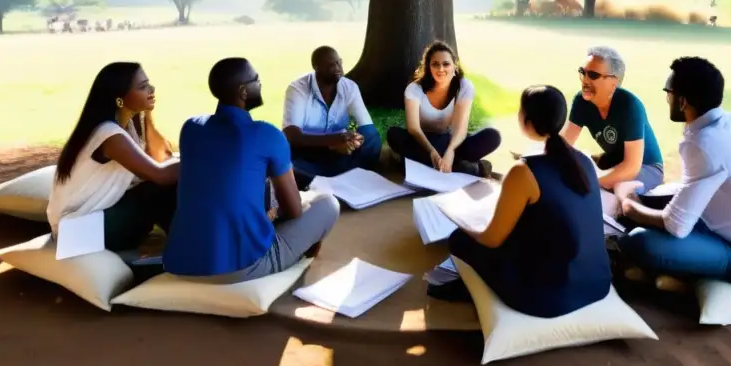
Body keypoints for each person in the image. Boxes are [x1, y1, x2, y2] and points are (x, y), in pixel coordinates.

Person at [612, 57, 731, 291]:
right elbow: (690, 191)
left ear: (682, 101)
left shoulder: (708, 144)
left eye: (668, 92)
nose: (667, 98)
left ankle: (684, 278)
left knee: (640, 242)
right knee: (646, 208)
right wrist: (642, 201)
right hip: (730, 228)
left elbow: (676, 226)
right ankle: (674, 272)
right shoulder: (729, 124)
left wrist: (628, 202)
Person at [436, 86, 612, 317]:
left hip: (546, 298)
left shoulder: (524, 172)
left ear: (526, 121)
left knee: (459, 239)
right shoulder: (583, 161)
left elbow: (491, 239)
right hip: (597, 283)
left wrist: (466, 223)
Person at [163, 58, 340, 283]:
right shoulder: (267, 134)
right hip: (242, 267)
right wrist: (275, 212)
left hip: (180, 264)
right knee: (327, 204)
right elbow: (294, 210)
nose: (260, 84)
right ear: (243, 92)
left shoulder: (190, 127)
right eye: (256, 80)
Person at [48, 62, 178, 252]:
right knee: (156, 191)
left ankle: (188, 241)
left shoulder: (127, 126)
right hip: (76, 232)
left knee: (160, 188)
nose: (152, 89)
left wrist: (147, 115)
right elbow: (160, 174)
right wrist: (202, 158)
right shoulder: (109, 135)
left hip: (91, 222)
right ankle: (192, 246)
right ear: (120, 99)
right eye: (142, 87)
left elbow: (160, 158)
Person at [386, 41, 501, 178]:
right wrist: (432, 152)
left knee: (493, 136)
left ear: (454, 66)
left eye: (446, 64)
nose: (441, 69)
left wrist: (451, 151)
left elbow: (461, 129)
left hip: (452, 140)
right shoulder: (414, 89)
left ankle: (415, 163)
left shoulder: (464, 86)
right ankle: (470, 169)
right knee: (393, 135)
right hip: (423, 141)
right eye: (435, 64)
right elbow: (414, 129)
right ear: (428, 67)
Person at [561, 46, 664, 191]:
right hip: (612, 161)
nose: (585, 80)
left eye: (593, 75)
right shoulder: (582, 101)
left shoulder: (629, 105)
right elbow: (563, 144)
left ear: (614, 82)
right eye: (582, 72)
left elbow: (631, 167)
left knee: (618, 188)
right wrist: (537, 161)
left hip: (646, 168)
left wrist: (592, 183)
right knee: (573, 163)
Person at [282, 46, 382, 184]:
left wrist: (353, 140)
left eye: (339, 62)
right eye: (331, 65)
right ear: (316, 67)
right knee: (287, 164)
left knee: (372, 138)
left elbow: (367, 127)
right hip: (308, 150)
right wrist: (333, 141)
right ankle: (344, 175)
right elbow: (292, 136)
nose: (338, 68)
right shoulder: (298, 89)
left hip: (340, 151)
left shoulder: (350, 87)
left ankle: (321, 178)